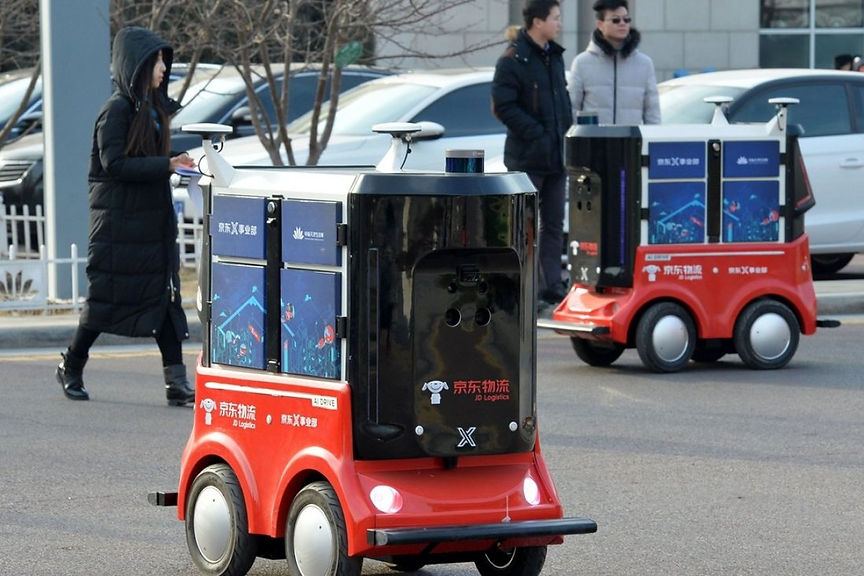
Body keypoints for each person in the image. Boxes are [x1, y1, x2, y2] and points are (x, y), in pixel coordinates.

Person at [55, 27, 196, 406]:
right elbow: (114, 163)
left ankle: (176, 383)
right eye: (157, 61)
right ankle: (71, 366)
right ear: (137, 65)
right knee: (105, 301)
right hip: (119, 226)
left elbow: (148, 160)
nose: (164, 68)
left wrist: (177, 162)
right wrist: (166, 165)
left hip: (150, 225)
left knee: (164, 299)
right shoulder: (116, 109)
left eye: (164, 61)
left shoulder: (151, 109)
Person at [491, 0, 573, 307]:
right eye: (555, 18)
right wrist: (537, 134)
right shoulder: (514, 58)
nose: (559, 23)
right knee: (524, 229)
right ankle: (526, 291)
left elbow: (562, 102)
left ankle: (552, 285)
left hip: (556, 157)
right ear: (538, 21)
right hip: (527, 158)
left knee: (553, 225)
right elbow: (503, 106)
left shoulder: (555, 56)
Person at [569, 0, 660, 125]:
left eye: (626, 19)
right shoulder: (581, 63)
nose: (622, 23)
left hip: (631, 137)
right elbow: (572, 110)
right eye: (615, 20)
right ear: (600, 24)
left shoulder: (644, 64)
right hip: (593, 137)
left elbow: (652, 112)